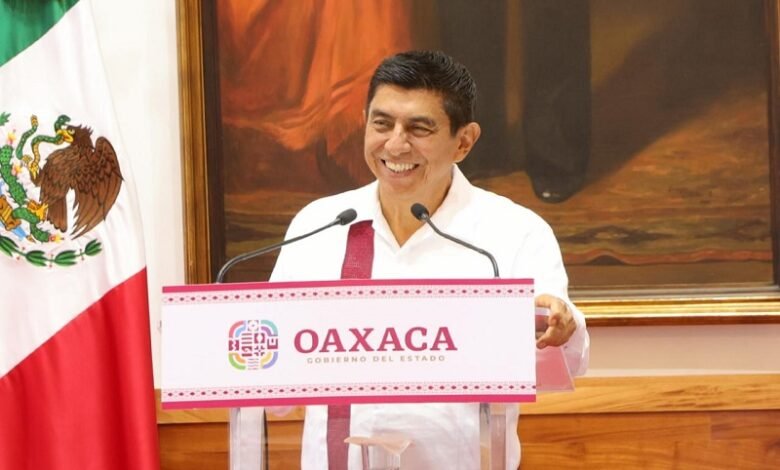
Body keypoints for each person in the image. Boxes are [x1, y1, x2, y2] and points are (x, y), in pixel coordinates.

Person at [271, 50, 589, 470]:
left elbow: (567, 361)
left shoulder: (514, 231)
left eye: (419, 128)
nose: (395, 144)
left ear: (464, 141)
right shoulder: (319, 225)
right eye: (381, 123)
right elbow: (274, 382)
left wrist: (560, 326)